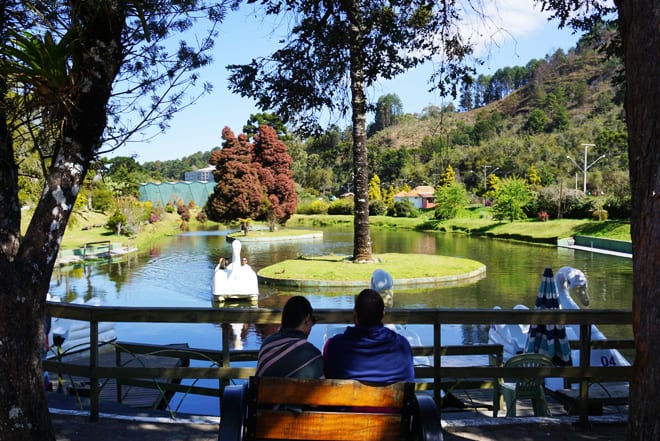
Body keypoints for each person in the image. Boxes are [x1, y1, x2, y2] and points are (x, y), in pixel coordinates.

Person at [323, 289, 414, 384]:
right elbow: (409, 380)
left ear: (355, 314)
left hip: (348, 398)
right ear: (382, 315)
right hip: (393, 398)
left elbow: (328, 377)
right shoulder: (402, 346)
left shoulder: (333, 346)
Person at [256, 296, 324, 378]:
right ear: (307, 320)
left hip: (262, 391)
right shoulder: (312, 354)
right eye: (312, 321)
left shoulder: (267, 344)